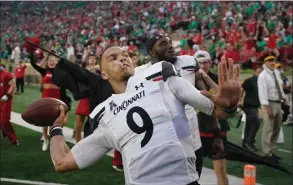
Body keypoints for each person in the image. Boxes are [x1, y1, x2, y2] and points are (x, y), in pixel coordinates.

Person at [49, 46, 241, 185]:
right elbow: (62, 162)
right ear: (104, 74)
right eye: (113, 58)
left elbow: (218, 111)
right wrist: (56, 127)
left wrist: (230, 104)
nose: (122, 58)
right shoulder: (106, 116)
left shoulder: (164, 80)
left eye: (125, 55)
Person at [135, 35, 222, 178]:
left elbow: (205, 99)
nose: (170, 46)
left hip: (192, 142)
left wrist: (217, 134)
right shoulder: (140, 73)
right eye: (163, 44)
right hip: (162, 143)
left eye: (170, 43)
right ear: (152, 52)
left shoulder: (188, 62)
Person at [194, 50, 230, 185]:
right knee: (192, 171)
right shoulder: (188, 80)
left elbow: (223, 97)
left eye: (205, 62)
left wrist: (207, 79)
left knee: (221, 169)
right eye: (199, 63)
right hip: (196, 128)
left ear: (210, 63)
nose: (202, 66)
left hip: (217, 130)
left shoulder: (216, 77)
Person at [30, 52, 71, 151]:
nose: (52, 62)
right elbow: (33, 64)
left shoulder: (60, 73)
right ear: (48, 62)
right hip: (45, 100)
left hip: (56, 101)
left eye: (54, 61)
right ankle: (45, 139)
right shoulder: (44, 71)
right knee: (44, 122)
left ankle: (54, 140)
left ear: (56, 63)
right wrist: (36, 55)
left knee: (56, 123)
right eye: (50, 61)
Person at [258, 55, 286, 158]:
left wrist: (283, 98)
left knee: (277, 127)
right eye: (269, 61)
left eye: (273, 60)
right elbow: (262, 92)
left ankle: (271, 148)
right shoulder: (263, 75)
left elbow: (280, 87)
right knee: (268, 128)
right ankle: (266, 151)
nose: (272, 62)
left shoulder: (276, 73)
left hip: (278, 103)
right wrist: (267, 108)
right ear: (265, 63)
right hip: (269, 103)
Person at [74, 53, 97, 143]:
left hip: (94, 100)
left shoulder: (99, 72)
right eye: (90, 58)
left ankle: (88, 144)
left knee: (92, 126)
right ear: (87, 60)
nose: (92, 60)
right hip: (85, 98)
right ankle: (77, 143)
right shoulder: (82, 70)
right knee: (79, 123)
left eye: (94, 58)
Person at [241, 67, 262, 152]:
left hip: (254, 107)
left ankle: (245, 143)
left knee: (249, 124)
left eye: (261, 72)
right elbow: (242, 89)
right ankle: (249, 142)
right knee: (256, 123)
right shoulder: (250, 80)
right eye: (259, 71)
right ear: (254, 72)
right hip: (249, 106)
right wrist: (239, 101)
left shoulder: (260, 81)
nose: (260, 73)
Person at [0, 64, 18, 146]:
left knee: (5, 121)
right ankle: (4, 131)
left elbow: (13, 86)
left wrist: (7, 95)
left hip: (5, 100)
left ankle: (13, 139)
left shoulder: (6, 74)